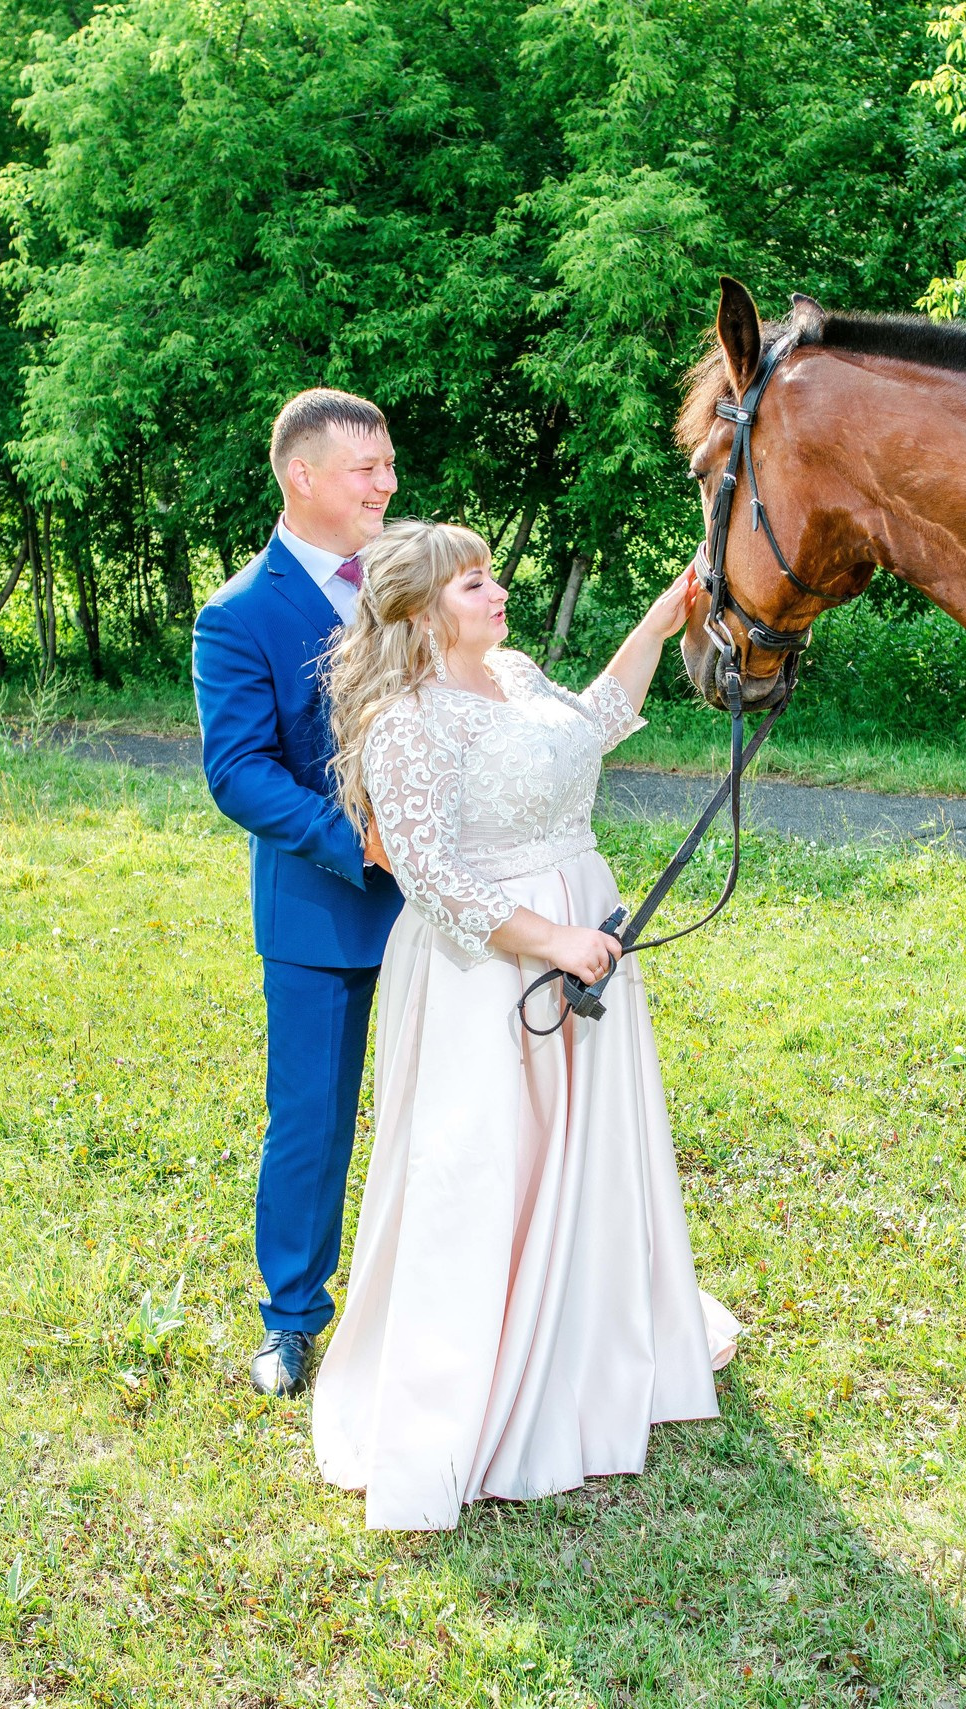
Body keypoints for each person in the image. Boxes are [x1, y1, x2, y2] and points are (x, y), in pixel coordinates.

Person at [310, 518, 740, 1531]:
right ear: (419, 614)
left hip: (577, 929)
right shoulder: (407, 722)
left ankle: (587, 1344)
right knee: (487, 1160)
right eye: (470, 585)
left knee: (582, 1154)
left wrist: (667, 611)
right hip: (486, 965)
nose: (495, 593)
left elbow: (595, 721)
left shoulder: (515, 669)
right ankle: (483, 1377)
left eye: (490, 575)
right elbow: (428, 873)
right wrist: (550, 938)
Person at [193, 389, 408, 1397]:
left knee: (441, 1107)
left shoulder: (411, 582)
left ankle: (434, 1297)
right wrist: (356, 845)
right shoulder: (236, 614)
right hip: (320, 916)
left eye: (388, 466)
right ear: (303, 477)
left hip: (440, 914)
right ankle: (291, 1318)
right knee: (311, 1122)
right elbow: (238, 770)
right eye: (366, 469)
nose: (386, 485)